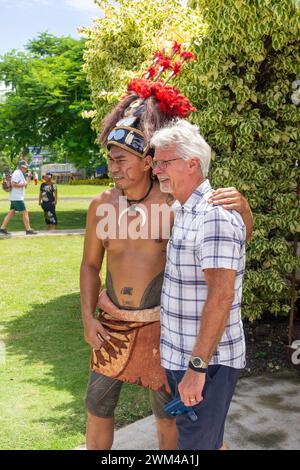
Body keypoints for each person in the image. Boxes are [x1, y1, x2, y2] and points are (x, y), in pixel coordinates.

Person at [80, 44, 253, 451]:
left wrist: (244, 208)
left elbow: (230, 241)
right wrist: (88, 318)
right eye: (111, 157)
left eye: (125, 158)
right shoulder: (101, 205)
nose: (115, 166)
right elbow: (90, 266)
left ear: (147, 162)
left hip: (165, 331)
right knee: (97, 408)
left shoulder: (177, 201)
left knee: (171, 420)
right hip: (111, 325)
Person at [150, 119, 248, 450]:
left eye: (164, 162)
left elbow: (221, 297)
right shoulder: (184, 208)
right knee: (208, 440)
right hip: (186, 356)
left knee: (196, 446)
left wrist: (196, 369)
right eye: (155, 162)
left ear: (192, 163)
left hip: (207, 362)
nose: (156, 169)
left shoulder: (213, 216)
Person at [0, 160, 37, 235]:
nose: (26, 168)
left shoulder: (21, 174)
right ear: (22, 167)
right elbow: (14, 184)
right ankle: (28, 229)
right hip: (17, 197)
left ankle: (2, 228)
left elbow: (25, 185)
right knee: (25, 211)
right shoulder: (17, 173)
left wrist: (28, 178)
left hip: (15, 197)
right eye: (25, 167)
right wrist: (23, 184)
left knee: (12, 212)